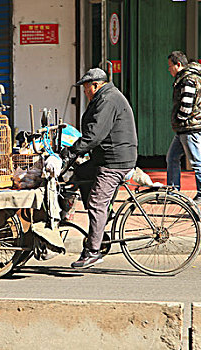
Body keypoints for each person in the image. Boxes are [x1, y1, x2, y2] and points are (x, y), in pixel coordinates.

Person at [61, 68, 138, 268]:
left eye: (87, 89)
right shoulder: (104, 98)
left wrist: (72, 152)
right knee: (80, 173)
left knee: (96, 203)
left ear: (96, 85)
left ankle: (93, 252)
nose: (85, 93)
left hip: (114, 161)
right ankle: (102, 224)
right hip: (105, 157)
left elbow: (94, 135)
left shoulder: (108, 100)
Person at [166, 51, 201, 206]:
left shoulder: (188, 79)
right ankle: (173, 191)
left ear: (178, 64)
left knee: (196, 160)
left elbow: (187, 104)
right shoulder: (186, 77)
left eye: (170, 66)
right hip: (185, 128)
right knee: (172, 157)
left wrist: (180, 118)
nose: (169, 69)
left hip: (190, 127)